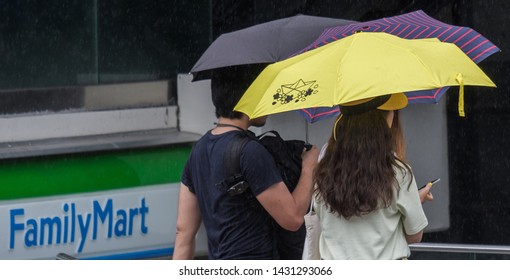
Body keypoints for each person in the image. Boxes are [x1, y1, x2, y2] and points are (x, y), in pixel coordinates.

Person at [173, 67, 319, 260]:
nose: (268, 101)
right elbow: (292, 219)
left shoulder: (198, 150)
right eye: (263, 92)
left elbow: (183, 233)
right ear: (249, 98)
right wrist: (309, 168)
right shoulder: (250, 152)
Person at [313, 93, 432, 260]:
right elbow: (414, 236)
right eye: (392, 111)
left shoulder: (323, 172)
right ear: (383, 122)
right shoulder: (399, 172)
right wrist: (413, 202)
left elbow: (327, 225)